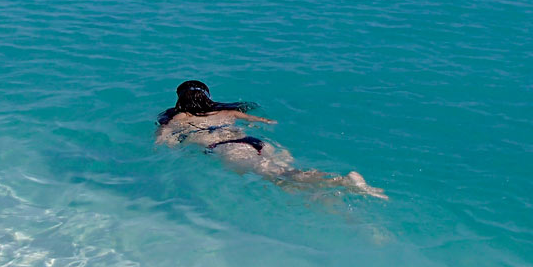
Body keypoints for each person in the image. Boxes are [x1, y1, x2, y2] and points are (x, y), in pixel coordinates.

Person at [155, 80, 387, 199]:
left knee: (279, 176)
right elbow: (268, 122)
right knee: (285, 178)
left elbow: (164, 140)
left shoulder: (179, 118)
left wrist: (168, 147)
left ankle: (342, 181)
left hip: (229, 148)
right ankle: (329, 196)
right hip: (256, 142)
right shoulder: (229, 112)